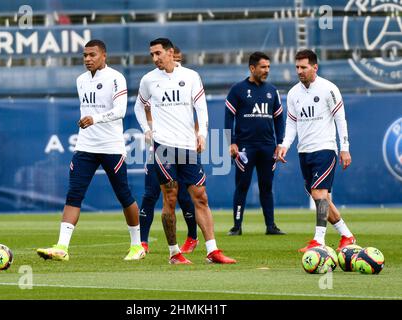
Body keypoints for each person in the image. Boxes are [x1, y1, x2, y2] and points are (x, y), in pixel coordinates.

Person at [37, 39, 145, 261]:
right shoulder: (80, 80)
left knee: (124, 195)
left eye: (92, 55)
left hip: (111, 146)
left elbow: (120, 111)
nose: (87, 59)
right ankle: (62, 247)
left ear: (104, 56)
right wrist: (90, 122)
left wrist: (94, 119)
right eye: (85, 55)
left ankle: (137, 246)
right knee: (74, 194)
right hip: (85, 146)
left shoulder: (116, 78)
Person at [134, 38, 236, 264]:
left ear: (170, 53)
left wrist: (202, 135)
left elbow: (201, 107)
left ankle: (212, 250)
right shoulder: (148, 80)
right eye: (151, 54)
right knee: (170, 197)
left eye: (158, 53)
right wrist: (146, 130)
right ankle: (174, 253)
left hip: (188, 146)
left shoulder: (191, 76)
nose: (154, 58)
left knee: (201, 197)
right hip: (163, 146)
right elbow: (139, 106)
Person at [276, 49, 357, 252]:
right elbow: (292, 123)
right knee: (321, 198)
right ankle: (346, 235)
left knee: (318, 193)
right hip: (304, 151)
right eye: (297, 67)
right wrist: (285, 145)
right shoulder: (294, 93)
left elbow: (341, 120)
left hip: (325, 148)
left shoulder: (328, 89)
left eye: (304, 67)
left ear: (315, 67)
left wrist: (344, 148)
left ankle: (318, 241)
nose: (300, 71)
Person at [140, 46, 199, 254]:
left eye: (179, 59)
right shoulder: (152, 82)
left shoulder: (187, 80)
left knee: (183, 196)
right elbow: (144, 108)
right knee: (150, 194)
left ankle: (192, 237)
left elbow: (195, 116)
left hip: (182, 147)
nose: (175, 62)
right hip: (157, 147)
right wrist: (149, 130)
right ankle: (142, 242)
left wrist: (197, 136)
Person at [224, 51, 286, 236]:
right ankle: (237, 226)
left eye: (268, 66)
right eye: (263, 67)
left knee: (266, 187)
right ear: (252, 68)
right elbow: (229, 118)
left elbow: (279, 119)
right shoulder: (238, 90)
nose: (267, 70)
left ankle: (271, 226)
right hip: (245, 148)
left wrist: (280, 143)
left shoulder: (272, 91)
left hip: (268, 147)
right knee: (242, 186)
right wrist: (231, 143)